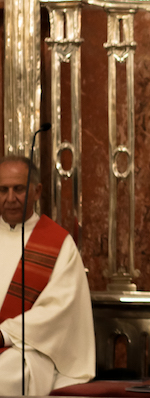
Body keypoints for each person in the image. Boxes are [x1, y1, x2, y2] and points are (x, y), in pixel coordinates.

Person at [0, 155, 95, 394]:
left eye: (18, 189)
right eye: (2, 190)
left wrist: (4, 335)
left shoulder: (57, 243)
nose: (10, 199)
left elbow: (59, 310)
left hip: (29, 349)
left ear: (37, 191)